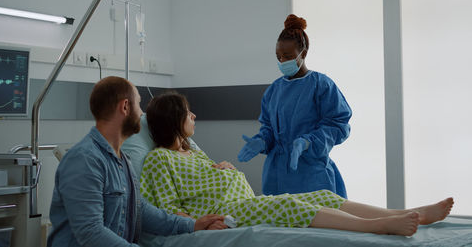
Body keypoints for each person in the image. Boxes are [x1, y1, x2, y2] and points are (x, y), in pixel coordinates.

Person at [140, 92, 454, 236]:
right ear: (172, 120)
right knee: (290, 204)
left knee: (324, 196)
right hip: (227, 214)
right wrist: (202, 223)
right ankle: (377, 226)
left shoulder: (193, 152)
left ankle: (406, 213)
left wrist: (221, 168)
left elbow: (203, 180)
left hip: (245, 202)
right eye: (188, 113)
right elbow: (166, 210)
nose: (194, 117)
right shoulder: (157, 160)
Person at [47, 77, 226, 247]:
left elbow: (140, 210)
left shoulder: (122, 161)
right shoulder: (85, 159)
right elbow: (90, 232)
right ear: (125, 107)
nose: (142, 114)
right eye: (139, 104)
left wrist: (192, 225)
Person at [238, 14, 352, 198]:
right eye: (279, 56)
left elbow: (338, 125)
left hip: (312, 174)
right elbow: (269, 128)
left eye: (288, 56)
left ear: (303, 53)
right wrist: (263, 141)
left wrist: (308, 142)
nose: (282, 61)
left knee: (321, 221)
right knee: (279, 225)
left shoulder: (321, 85)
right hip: (276, 176)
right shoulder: (274, 90)